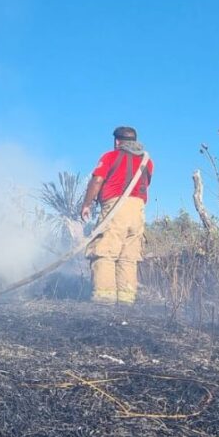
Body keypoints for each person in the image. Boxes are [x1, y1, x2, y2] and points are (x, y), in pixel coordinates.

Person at [79, 126, 153, 306]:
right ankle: (126, 301)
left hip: (115, 207)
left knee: (104, 250)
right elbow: (146, 184)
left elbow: (97, 180)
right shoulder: (147, 161)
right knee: (128, 256)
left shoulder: (110, 156)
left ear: (117, 141)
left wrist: (87, 204)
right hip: (138, 211)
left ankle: (105, 299)